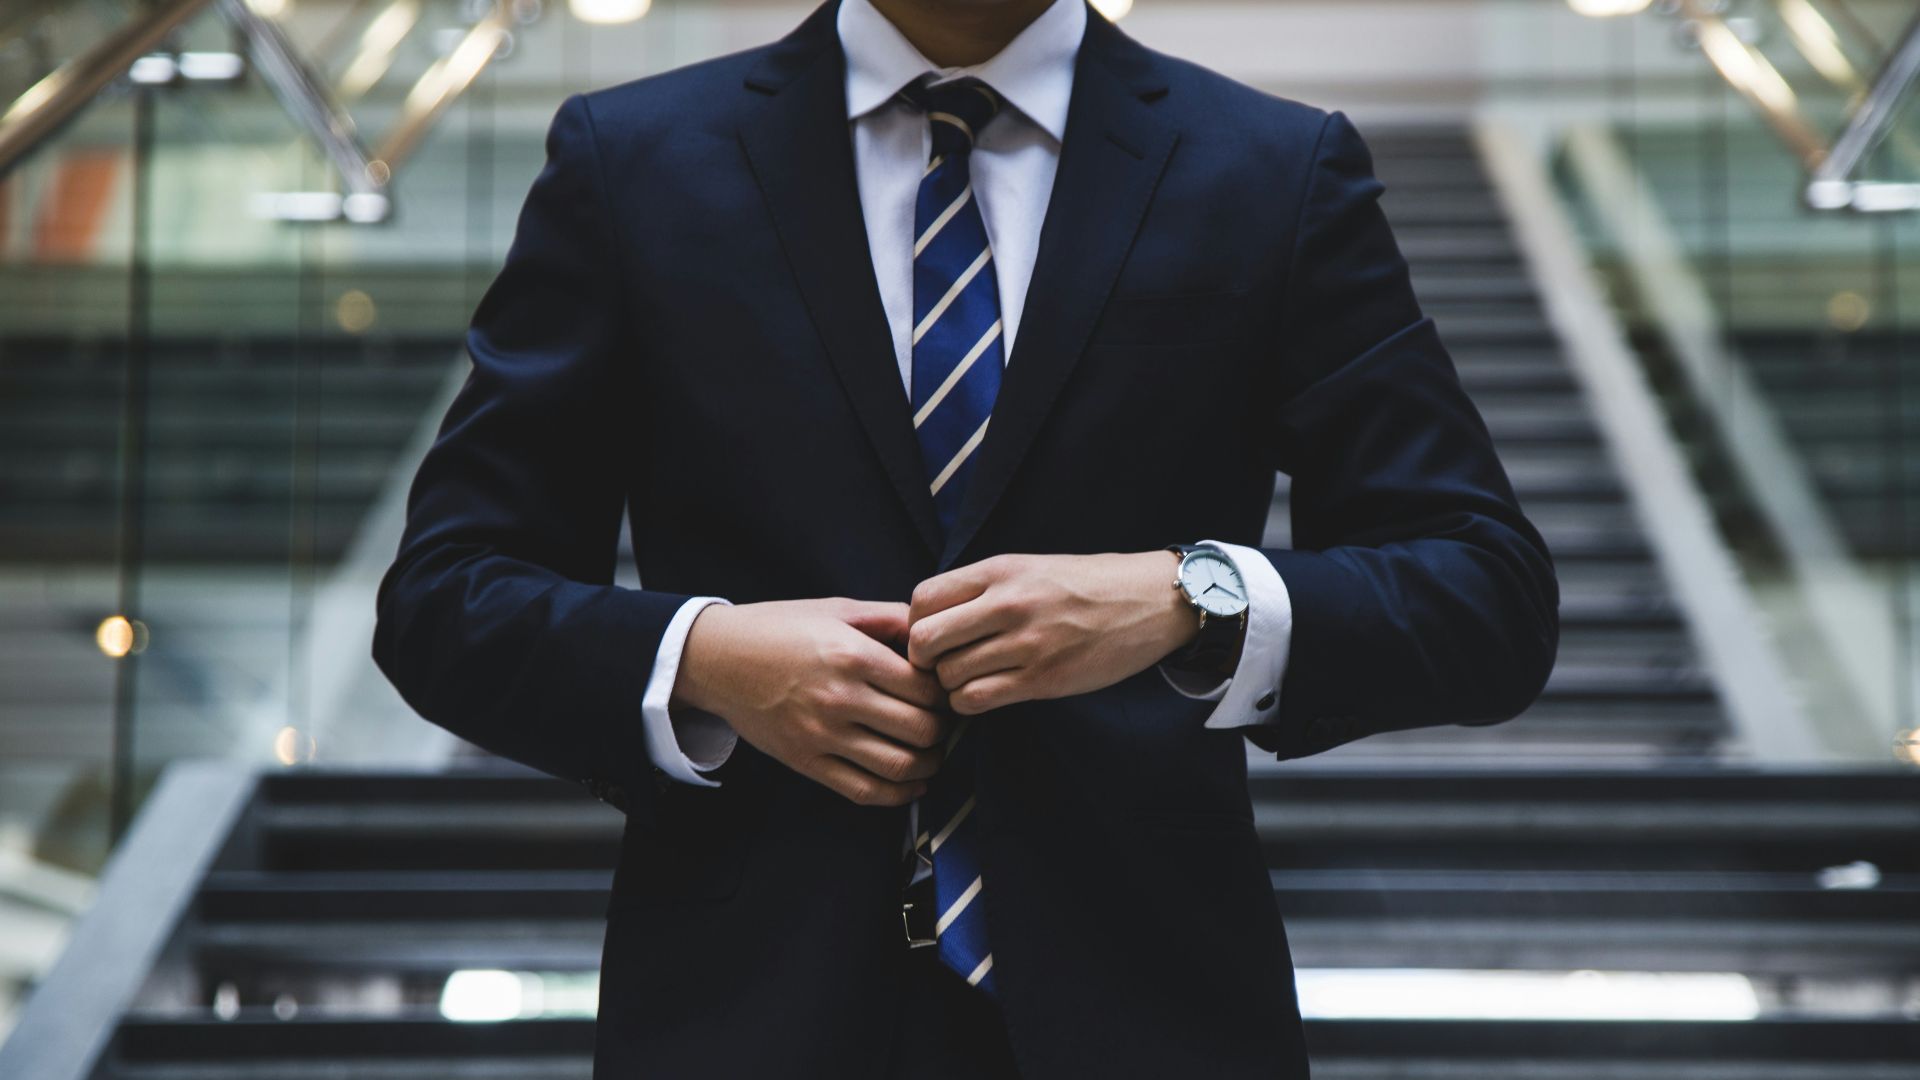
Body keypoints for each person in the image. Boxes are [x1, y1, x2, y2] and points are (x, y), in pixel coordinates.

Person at [372, 0, 1559, 1074]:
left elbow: (1486, 591)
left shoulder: (1270, 169)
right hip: (742, 1012)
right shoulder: (632, 161)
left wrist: (1194, 598)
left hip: (1151, 1013)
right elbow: (444, 597)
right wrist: (707, 663)